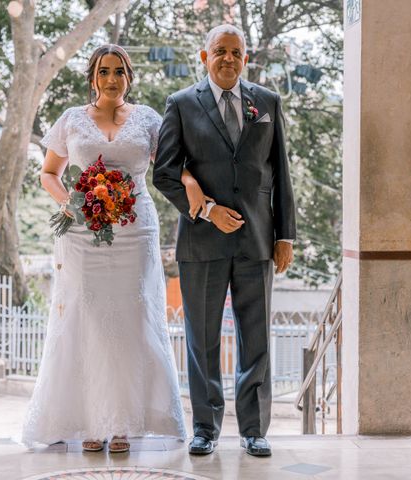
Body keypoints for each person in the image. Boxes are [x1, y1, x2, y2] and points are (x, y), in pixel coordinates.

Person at [21, 44, 186, 453]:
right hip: (82, 234)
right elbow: (49, 174)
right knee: (87, 318)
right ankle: (92, 422)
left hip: (135, 231)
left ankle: (124, 424)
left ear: (129, 77)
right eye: (104, 71)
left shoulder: (149, 119)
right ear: (92, 77)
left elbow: (171, 165)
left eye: (119, 72)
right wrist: (72, 205)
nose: (112, 79)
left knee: (131, 319)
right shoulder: (72, 120)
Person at [153, 24, 296, 457]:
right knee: (203, 340)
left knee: (257, 338)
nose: (228, 59)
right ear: (204, 56)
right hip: (201, 241)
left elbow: (282, 174)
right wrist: (207, 208)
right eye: (220, 51)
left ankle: (254, 429)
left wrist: (285, 233)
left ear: (245, 59)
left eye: (236, 52)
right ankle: (205, 428)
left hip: (257, 241)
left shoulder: (267, 102)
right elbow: (164, 171)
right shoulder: (180, 104)